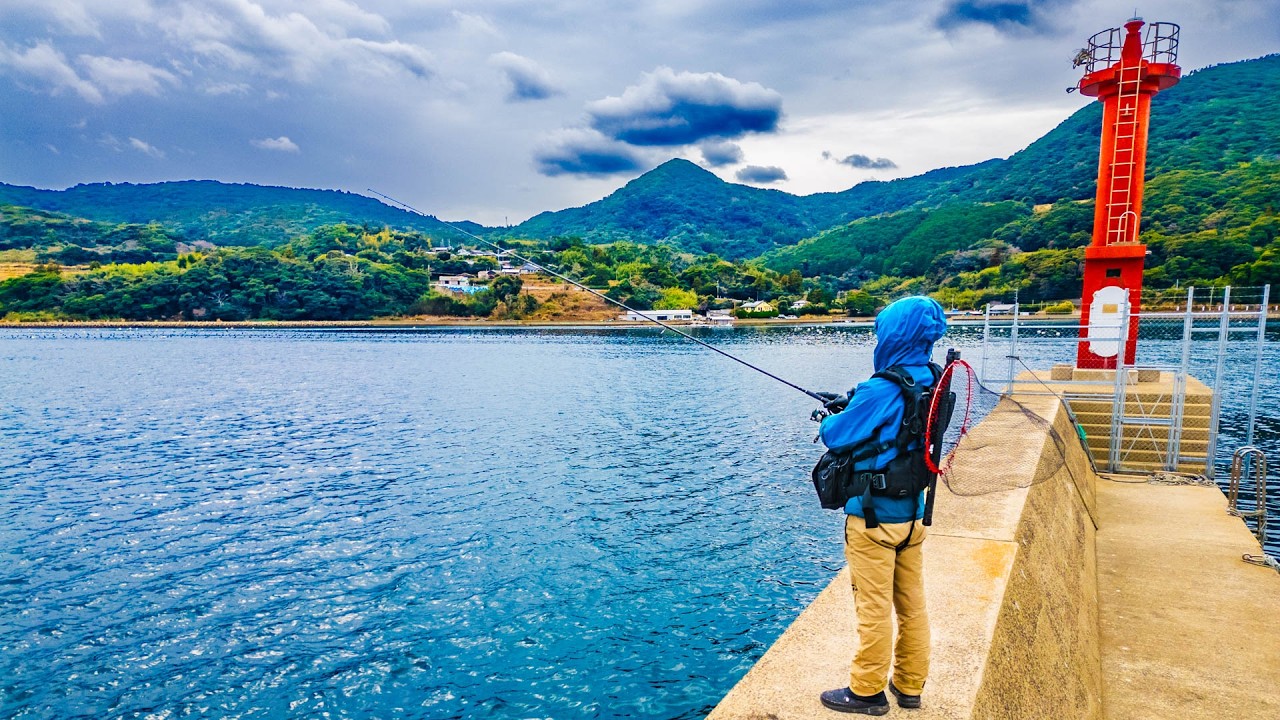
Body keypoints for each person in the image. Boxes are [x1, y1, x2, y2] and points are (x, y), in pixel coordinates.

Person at [815, 296, 947, 715]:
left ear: (893, 333)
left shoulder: (880, 387)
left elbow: (836, 435)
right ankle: (909, 686)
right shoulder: (933, 378)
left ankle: (867, 691)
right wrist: (856, 401)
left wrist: (833, 415)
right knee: (913, 605)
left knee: (873, 609)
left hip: (873, 521)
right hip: (913, 517)